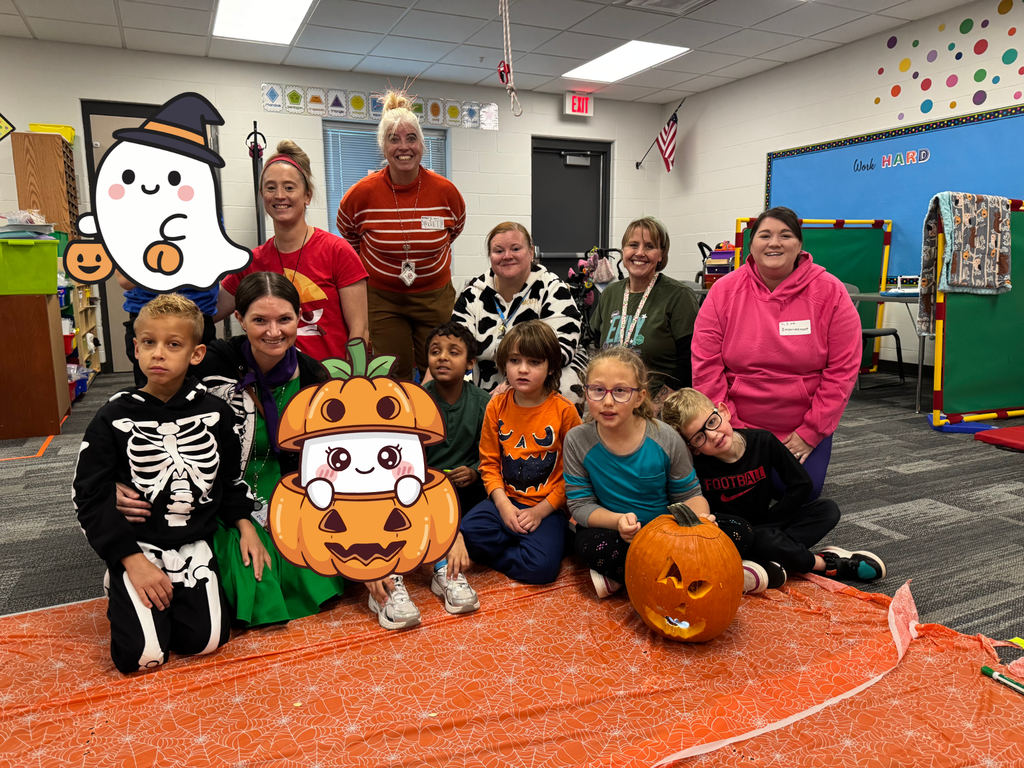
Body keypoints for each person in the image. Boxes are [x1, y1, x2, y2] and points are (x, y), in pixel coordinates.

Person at [117, 273, 347, 627]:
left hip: (283, 483)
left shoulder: (314, 377)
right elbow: (148, 412)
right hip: (214, 485)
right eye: (259, 320)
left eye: (284, 319)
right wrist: (119, 478)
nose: (273, 331)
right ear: (239, 319)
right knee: (239, 560)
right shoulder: (209, 364)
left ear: (299, 319)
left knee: (302, 552)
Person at [73, 294, 261, 673]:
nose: (158, 354)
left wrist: (245, 524)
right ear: (136, 348)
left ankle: (164, 603)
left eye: (173, 344)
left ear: (195, 353)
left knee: (205, 643)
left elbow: (229, 477)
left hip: (194, 546)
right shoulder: (113, 416)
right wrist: (129, 558)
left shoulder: (216, 411)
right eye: (148, 343)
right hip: (138, 544)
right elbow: (88, 494)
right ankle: (124, 582)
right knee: (142, 659)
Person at [691, 206, 862, 500]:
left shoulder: (831, 292)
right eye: (765, 235)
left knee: (799, 493)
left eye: (785, 235)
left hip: (803, 423)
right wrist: (731, 429)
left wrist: (810, 433)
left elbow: (842, 371)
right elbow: (705, 366)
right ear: (752, 244)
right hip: (734, 423)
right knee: (732, 494)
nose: (774, 243)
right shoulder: (723, 291)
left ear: (799, 245)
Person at [662, 388, 887, 584]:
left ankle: (769, 558)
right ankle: (824, 564)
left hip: (767, 525)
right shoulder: (697, 465)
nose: (712, 435)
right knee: (759, 538)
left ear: (723, 411)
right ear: (693, 448)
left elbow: (801, 484)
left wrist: (772, 519)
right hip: (734, 535)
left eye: (712, 422)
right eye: (699, 437)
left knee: (827, 510)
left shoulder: (764, 440)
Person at [564, 347, 724, 600]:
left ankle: (628, 577)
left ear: (639, 398)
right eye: (597, 390)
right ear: (586, 393)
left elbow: (690, 494)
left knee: (739, 531)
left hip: (669, 533)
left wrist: (701, 519)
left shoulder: (665, 437)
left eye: (620, 391)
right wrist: (617, 521)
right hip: (616, 533)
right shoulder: (577, 439)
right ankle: (674, 578)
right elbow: (580, 504)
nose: (607, 402)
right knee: (589, 547)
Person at [364, 321, 486, 629]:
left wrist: (473, 472)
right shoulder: (412, 402)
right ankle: (403, 575)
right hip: (422, 490)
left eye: (453, 352)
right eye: (435, 352)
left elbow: (490, 455)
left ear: (470, 362)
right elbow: (401, 459)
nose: (443, 358)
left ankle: (446, 569)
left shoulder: (485, 403)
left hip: (466, 492)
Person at [337, 90, 465, 380]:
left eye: (411, 138)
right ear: (383, 148)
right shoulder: (361, 194)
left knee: (442, 370)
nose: (403, 147)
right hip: (383, 299)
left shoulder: (446, 192)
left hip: (434, 295)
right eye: (394, 139)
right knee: (391, 372)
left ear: (422, 144)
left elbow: (453, 230)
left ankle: (439, 424)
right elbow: (350, 236)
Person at [217, 140, 368, 361]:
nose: (279, 195)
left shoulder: (337, 251)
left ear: (307, 196)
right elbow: (209, 312)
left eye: (289, 187)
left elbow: (360, 331)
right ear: (262, 196)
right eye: (271, 187)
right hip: (274, 384)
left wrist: (350, 383)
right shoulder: (252, 262)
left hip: (327, 383)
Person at [460, 321, 582, 585]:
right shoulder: (496, 406)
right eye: (515, 360)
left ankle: (542, 545)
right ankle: (526, 544)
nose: (523, 369)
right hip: (504, 501)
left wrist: (541, 511)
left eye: (535, 362)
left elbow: (576, 474)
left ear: (551, 366)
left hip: (547, 508)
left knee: (541, 569)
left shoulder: (565, 411)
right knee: (467, 532)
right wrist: (503, 506)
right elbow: (489, 464)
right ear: (505, 364)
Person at [453, 221, 587, 402]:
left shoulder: (553, 289)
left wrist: (513, 384)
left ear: (531, 252)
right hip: (486, 384)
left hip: (540, 379)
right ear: (490, 256)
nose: (507, 256)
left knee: (565, 384)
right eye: (499, 251)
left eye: (515, 249)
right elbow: (455, 346)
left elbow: (561, 351)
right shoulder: (472, 295)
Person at [590, 216, 700, 414]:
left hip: (658, 408)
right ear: (623, 251)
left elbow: (689, 362)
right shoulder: (610, 294)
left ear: (661, 255)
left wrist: (656, 406)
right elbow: (598, 349)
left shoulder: (678, 296)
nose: (639, 253)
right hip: (611, 404)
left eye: (649, 246)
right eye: (633, 245)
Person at [117, 275, 218, 387]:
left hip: (199, 312)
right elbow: (125, 281)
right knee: (153, 385)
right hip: (148, 312)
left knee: (203, 385)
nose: (158, 354)